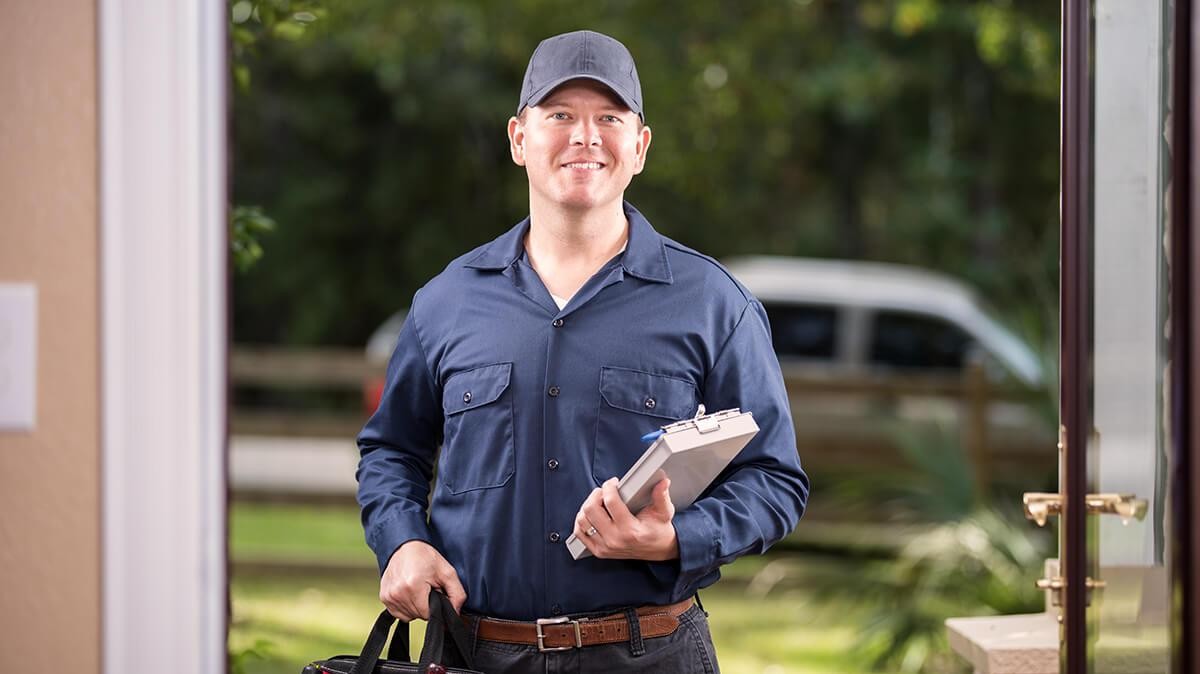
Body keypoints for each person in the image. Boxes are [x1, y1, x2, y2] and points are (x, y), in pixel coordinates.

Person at [356, 29, 809, 673]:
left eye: (610, 118)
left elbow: (775, 480)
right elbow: (391, 451)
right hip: (475, 656)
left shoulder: (714, 302)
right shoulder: (446, 302)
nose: (586, 136)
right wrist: (401, 543)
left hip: (651, 655)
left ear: (640, 146)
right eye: (561, 114)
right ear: (519, 138)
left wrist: (675, 538)